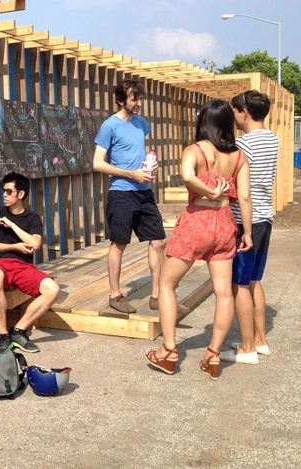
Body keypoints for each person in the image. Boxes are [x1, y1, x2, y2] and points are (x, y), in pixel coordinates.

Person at [145, 99, 253, 380]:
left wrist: (210, 191)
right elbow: (243, 197)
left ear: (203, 122)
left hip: (197, 222)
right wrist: (248, 233)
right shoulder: (239, 157)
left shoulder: (194, 150)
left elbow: (187, 177)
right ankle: (213, 355)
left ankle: (168, 352)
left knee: (167, 284)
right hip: (226, 225)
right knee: (224, 293)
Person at [93, 78, 173, 315]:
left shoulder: (141, 123)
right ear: (120, 100)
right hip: (121, 192)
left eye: (140, 98)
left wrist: (151, 166)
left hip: (144, 191)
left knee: (158, 241)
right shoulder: (109, 126)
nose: (138, 103)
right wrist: (131, 174)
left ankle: (157, 294)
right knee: (120, 243)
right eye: (133, 98)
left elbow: (141, 151)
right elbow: (97, 163)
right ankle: (115, 294)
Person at [220, 90, 279, 365]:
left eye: (234, 110)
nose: (233, 116)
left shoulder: (244, 146)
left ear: (244, 111)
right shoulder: (272, 139)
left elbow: (238, 188)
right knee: (254, 280)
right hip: (265, 218)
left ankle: (246, 348)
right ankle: (259, 341)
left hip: (247, 221)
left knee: (239, 284)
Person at [0, 172, 60, 353]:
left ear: (21, 194)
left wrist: (12, 226)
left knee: (53, 289)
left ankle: (19, 330)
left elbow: (35, 244)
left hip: (23, 266)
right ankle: (2, 335)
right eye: (3, 191)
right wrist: (17, 246)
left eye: (9, 191)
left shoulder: (32, 218)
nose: (4, 195)